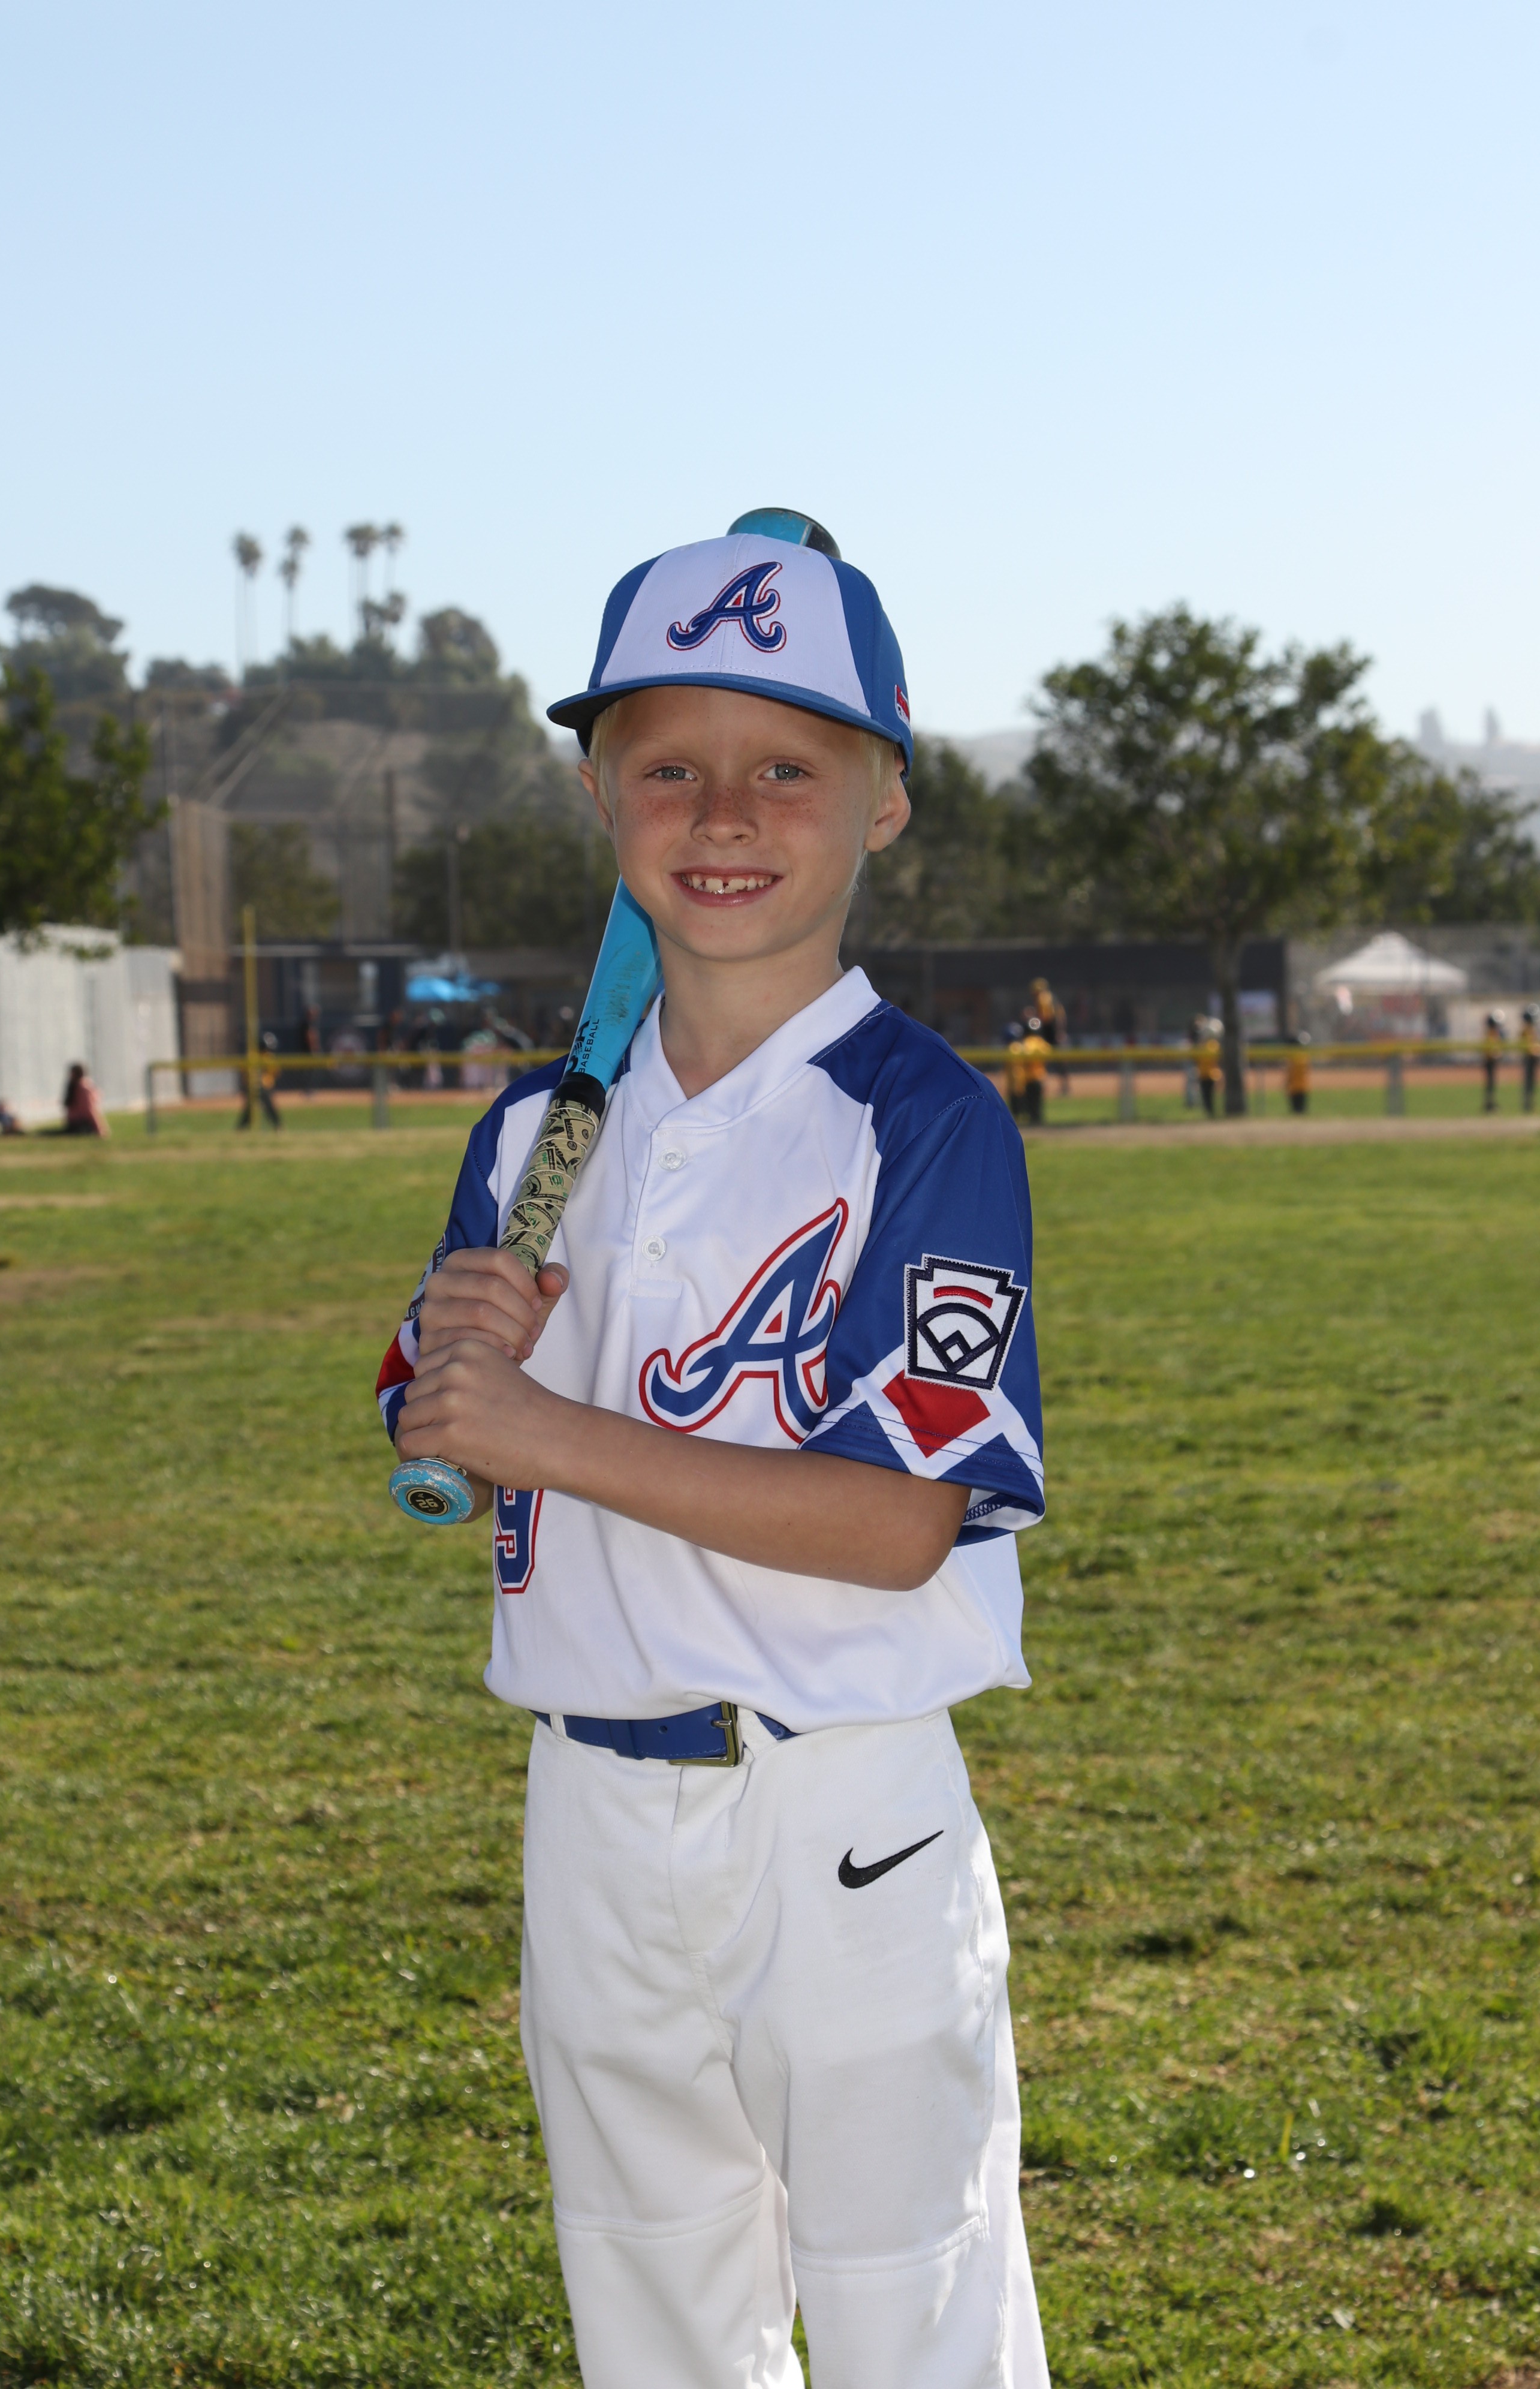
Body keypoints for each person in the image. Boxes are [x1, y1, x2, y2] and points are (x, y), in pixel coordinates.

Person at [380, 522, 1050, 2389]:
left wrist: (547, 1428)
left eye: (789, 767)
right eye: (669, 765)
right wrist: (458, 1371)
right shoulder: (534, 1132)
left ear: (884, 800)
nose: (726, 812)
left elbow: (899, 1521)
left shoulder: (921, 1121)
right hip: (588, 1807)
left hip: (841, 1811)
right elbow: (449, 1437)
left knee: (915, 2307)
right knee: (653, 2313)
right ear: (601, 795)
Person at [236, 1031, 282, 1130]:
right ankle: (241, 1129)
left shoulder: (268, 1058)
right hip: (253, 1086)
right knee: (252, 1110)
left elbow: (276, 1072)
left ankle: (278, 1126)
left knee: (266, 1107)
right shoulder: (253, 1056)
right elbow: (244, 1072)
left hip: (263, 1087)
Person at [1020, 1012, 1051, 1127]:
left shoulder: (1026, 1042)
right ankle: (1039, 1122)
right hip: (1039, 1076)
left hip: (1028, 1077)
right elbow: (1048, 1054)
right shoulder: (1041, 1042)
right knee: (1038, 1102)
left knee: (1030, 1102)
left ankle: (1032, 1122)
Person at [62, 1063, 109, 1136]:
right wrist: (100, 1128)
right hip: (79, 1123)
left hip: (77, 1123)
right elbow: (90, 1109)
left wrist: (99, 1128)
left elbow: (90, 1109)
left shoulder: (80, 1087)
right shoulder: (81, 1087)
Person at [1195, 1014, 1223, 1118]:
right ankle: (1209, 1113)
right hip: (1204, 1074)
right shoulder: (1203, 1045)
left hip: (1212, 1075)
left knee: (1211, 1096)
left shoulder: (1212, 1045)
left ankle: (1212, 1113)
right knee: (1206, 1096)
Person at [1481, 1010, 1506, 1114]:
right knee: (1490, 1084)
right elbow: (1490, 1050)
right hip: (1490, 1062)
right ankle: (1489, 1105)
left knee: (1492, 1084)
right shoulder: (1491, 1033)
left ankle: (1491, 1103)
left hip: (1492, 1061)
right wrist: (1497, 1054)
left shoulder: (1493, 1033)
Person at [1285, 1030, 1312, 1115]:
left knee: (1298, 1111)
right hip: (1299, 1087)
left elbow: (1290, 1072)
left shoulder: (1295, 1057)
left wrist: (1287, 1083)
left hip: (1297, 1087)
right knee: (1300, 1111)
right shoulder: (1303, 1056)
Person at [1521, 1004, 1538, 1114]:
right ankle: (1528, 1103)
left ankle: (1530, 1102)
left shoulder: (1532, 1030)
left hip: (1533, 1058)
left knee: (1532, 1082)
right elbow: (1529, 1045)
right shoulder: (1526, 1030)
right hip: (1529, 1058)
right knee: (1528, 1082)